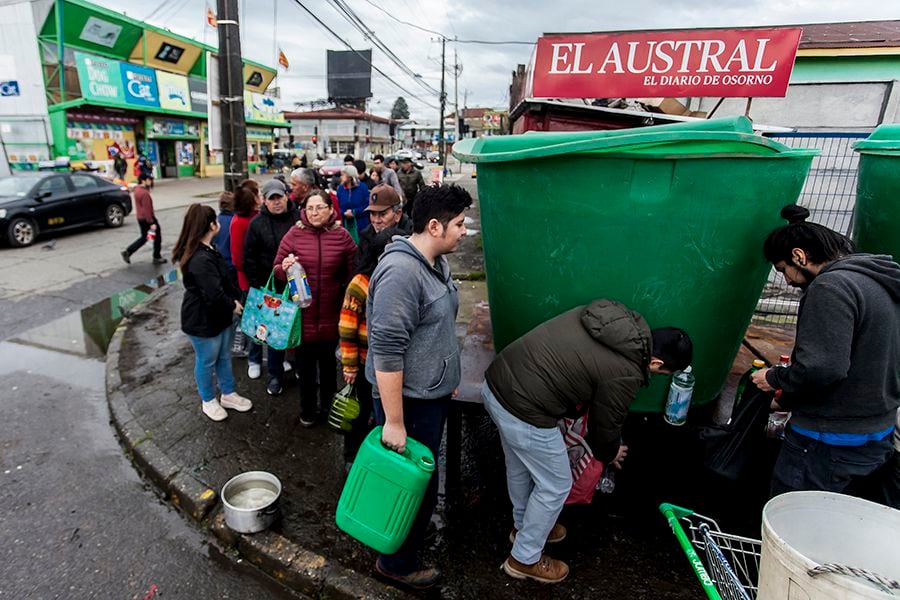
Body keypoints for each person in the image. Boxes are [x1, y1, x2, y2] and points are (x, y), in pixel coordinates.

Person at [483, 300, 692, 583]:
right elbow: (604, 427)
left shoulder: (612, 318)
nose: (655, 376)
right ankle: (524, 558)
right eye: (661, 373)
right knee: (556, 484)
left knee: (521, 466)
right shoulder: (626, 371)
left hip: (498, 384)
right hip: (526, 410)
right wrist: (611, 452)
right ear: (655, 362)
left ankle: (525, 529)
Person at [751, 205, 900, 501]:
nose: (788, 281)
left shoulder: (830, 287)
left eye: (782, 270)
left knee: (798, 523)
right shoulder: (879, 281)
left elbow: (822, 368)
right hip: (877, 432)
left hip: (826, 440)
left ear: (799, 255)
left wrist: (775, 377)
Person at [365, 184, 472, 589]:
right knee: (412, 487)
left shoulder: (434, 261)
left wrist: (448, 379)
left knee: (421, 484)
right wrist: (394, 422)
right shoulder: (401, 273)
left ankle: (405, 536)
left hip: (430, 395)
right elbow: (387, 352)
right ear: (433, 226)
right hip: (407, 403)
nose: (465, 232)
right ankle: (396, 564)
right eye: (460, 225)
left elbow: (434, 332)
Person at [274, 189, 357, 426]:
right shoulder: (294, 234)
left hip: (332, 315)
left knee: (329, 368)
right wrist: (285, 266)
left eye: (319, 207)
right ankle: (307, 411)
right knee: (306, 370)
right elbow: (277, 269)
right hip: (303, 317)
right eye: (309, 208)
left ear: (331, 209)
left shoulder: (342, 236)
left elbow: (354, 272)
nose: (314, 213)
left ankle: (329, 409)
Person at [173, 204, 252, 422]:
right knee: (207, 360)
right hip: (202, 321)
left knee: (223, 357)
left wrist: (234, 299)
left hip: (219, 317)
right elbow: (213, 294)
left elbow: (224, 282)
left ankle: (228, 393)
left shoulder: (209, 248)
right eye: (216, 220)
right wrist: (233, 306)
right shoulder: (199, 258)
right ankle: (208, 400)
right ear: (211, 225)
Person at [339, 230, 394, 466]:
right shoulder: (360, 283)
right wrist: (349, 366)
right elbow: (347, 327)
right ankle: (351, 455)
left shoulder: (396, 281)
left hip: (386, 366)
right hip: (362, 364)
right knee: (357, 412)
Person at [242, 179, 299, 395]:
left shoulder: (298, 218)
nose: (276, 202)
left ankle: (300, 368)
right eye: (271, 198)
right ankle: (275, 375)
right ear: (264, 201)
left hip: (297, 285)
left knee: (298, 329)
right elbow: (249, 259)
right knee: (273, 334)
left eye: (280, 197)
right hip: (271, 289)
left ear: (287, 196)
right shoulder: (256, 225)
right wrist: (257, 288)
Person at [229, 181, 261, 369]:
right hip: (248, 281)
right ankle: (254, 359)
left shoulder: (258, 217)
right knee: (253, 322)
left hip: (260, 278)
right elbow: (237, 259)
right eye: (258, 194)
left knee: (267, 320)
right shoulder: (239, 222)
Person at [354, 184, 412, 270]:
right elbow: (358, 267)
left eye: (383, 214)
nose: (376, 220)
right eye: (372, 214)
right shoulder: (366, 236)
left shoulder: (411, 236)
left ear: (397, 214)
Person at [121, 173, 166, 265]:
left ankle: (128, 251)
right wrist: (151, 222)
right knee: (157, 237)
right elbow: (147, 209)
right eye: (149, 180)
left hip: (140, 218)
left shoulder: (137, 190)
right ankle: (156, 257)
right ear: (143, 180)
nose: (150, 181)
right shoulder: (145, 193)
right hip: (147, 218)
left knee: (144, 237)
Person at [337, 165, 371, 236]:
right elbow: (337, 206)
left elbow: (367, 205)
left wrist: (354, 212)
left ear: (350, 176)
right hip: (345, 224)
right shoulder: (340, 189)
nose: (341, 177)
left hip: (361, 224)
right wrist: (344, 213)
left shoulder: (362, 188)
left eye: (343, 175)